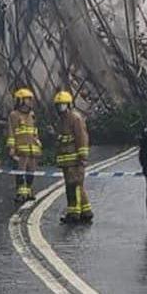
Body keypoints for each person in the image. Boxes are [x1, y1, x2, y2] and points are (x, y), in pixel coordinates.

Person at [54, 91, 92, 224]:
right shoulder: (62, 120)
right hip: (66, 160)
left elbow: (82, 137)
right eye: (58, 105)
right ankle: (86, 211)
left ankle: (74, 213)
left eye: (62, 104)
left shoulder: (75, 118)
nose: (60, 107)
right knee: (74, 186)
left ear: (69, 104)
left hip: (75, 160)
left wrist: (82, 157)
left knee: (74, 186)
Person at [6, 88, 42, 203]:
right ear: (20, 100)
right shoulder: (14, 115)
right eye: (28, 99)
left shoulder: (32, 115)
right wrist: (12, 147)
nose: (30, 101)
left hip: (32, 149)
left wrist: (38, 141)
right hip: (21, 149)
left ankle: (29, 191)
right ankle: (20, 193)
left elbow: (34, 130)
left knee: (31, 171)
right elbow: (11, 132)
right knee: (20, 171)